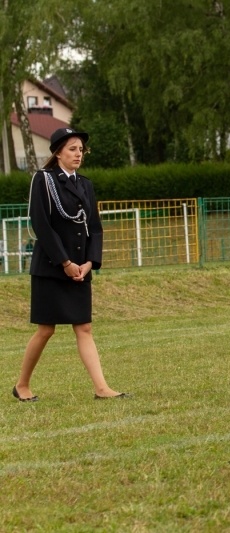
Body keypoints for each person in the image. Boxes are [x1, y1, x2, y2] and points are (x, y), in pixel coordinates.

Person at [14, 127, 128, 402]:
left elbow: (95, 228)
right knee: (46, 329)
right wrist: (64, 262)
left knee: (84, 327)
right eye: (72, 149)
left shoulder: (85, 184)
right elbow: (40, 223)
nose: (78, 154)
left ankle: (101, 387)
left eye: (81, 150)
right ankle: (22, 385)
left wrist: (90, 262)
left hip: (80, 268)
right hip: (51, 266)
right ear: (58, 153)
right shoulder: (43, 180)